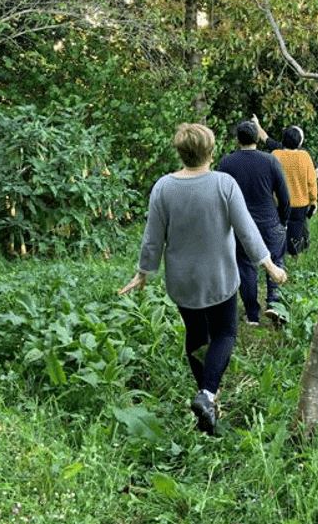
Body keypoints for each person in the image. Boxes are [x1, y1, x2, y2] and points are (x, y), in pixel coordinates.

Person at [119, 123, 287, 435]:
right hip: (219, 278)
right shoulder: (224, 184)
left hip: (183, 282)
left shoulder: (163, 188)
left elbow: (153, 239)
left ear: (180, 153)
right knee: (225, 333)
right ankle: (208, 394)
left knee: (196, 335)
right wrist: (269, 265)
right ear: (211, 151)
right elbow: (247, 231)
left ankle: (206, 401)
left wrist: (143, 273)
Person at [216, 120, 290, 327]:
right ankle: (275, 304)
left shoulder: (227, 163)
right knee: (275, 259)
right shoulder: (270, 161)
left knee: (245, 266)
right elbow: (284, 196)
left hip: (240, 224)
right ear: (257, 138)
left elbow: (221, 195)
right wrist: (283, 220)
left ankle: (252, 315)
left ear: (238, 139)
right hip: (269, 220)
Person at [251, 117, 318, 256]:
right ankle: (294, 255)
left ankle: (276, 254)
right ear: (299, 142)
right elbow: (311, 182)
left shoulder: (275, 154)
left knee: (278, 230)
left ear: (283, 139)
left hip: (279, 202)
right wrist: (313, 201)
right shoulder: (305, 156)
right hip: (300, 203)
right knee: (296, 232)